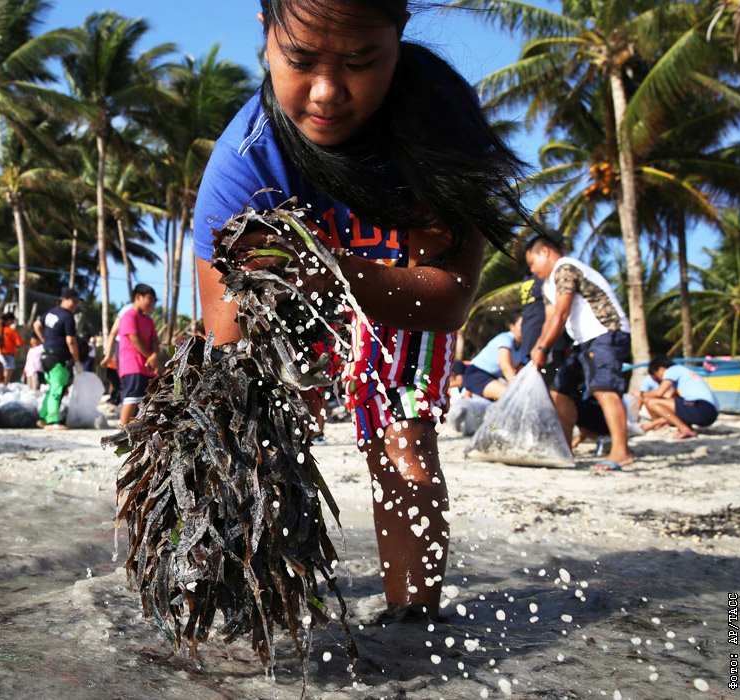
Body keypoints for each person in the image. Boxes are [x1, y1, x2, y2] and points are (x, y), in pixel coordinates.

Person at [193, 0, 531, 619]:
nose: (326, 92)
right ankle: (267, 607)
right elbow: (226, 333)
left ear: (397, 37)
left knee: (404, 450)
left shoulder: (433, 124)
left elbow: (449, 297)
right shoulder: (244, 162)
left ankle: (414, 621)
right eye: (299, 60)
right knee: (255, 435)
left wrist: (333, 270)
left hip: (397, 291)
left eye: (358, 61)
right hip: (288, 300)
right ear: (265, 36)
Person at [525, 234, 634, 471]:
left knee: (604, 388)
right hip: (582, 342)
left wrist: (544, 347)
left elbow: (562, 313)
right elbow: (550, 319)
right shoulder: (547, 285)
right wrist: (538, 348)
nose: (532, 271)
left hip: (606, 333)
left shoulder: (566, 268)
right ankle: (564, 448)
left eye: (532, 263)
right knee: (560, 391)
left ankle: (621, 451)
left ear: (546, 252)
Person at [33, 288, 81, 429]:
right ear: (64, 299)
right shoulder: (67, 317)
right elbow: (71, 341)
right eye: (73, 301)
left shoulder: (50, 312)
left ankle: (42, 417)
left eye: (77, 302)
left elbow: (36, 324)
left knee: (52, 387)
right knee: (57, 387)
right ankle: (53, 420)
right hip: (59, 356)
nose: (75, 304)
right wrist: (77, 361)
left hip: (47, 354)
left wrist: (45, 340)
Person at [638, 356, 720, 439]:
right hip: (710, 412)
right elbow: (671, 408)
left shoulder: (672, 370)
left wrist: (641, 394)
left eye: (656, 376)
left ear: (661, 369)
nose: (659, 379)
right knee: (665, 405)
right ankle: (682, 427)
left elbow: (659, 393)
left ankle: (684, 429)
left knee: (652, 402)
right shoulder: (683, 372)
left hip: (702, 407)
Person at [117, 284, 160, 427]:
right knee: (131, 398)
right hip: (132, 365)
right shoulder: (129, 315)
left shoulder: (148, 320)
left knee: (144, 399)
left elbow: (154, 339)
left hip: (147, 366)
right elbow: (134, 338)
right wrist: (150, 356)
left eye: (154, 300)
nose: (152, 303)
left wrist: (154, 355)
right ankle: (122, 429)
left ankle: (135, 430)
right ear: (138, 297)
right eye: (149, 299)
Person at [463, 314, 522, 401]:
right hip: (476, 374)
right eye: (522, 324)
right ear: (512, 327)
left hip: (495, 378)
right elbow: (505, 365)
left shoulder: (525, 346)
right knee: (511, 395)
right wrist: (519, 389)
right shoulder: (506, 338)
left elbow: (521, 370)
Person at [0, 312, 24, 384]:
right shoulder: (11, 331)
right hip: (7, 355)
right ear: (9, 320)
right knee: (5, 382)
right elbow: (20, 344)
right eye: (12, 321)